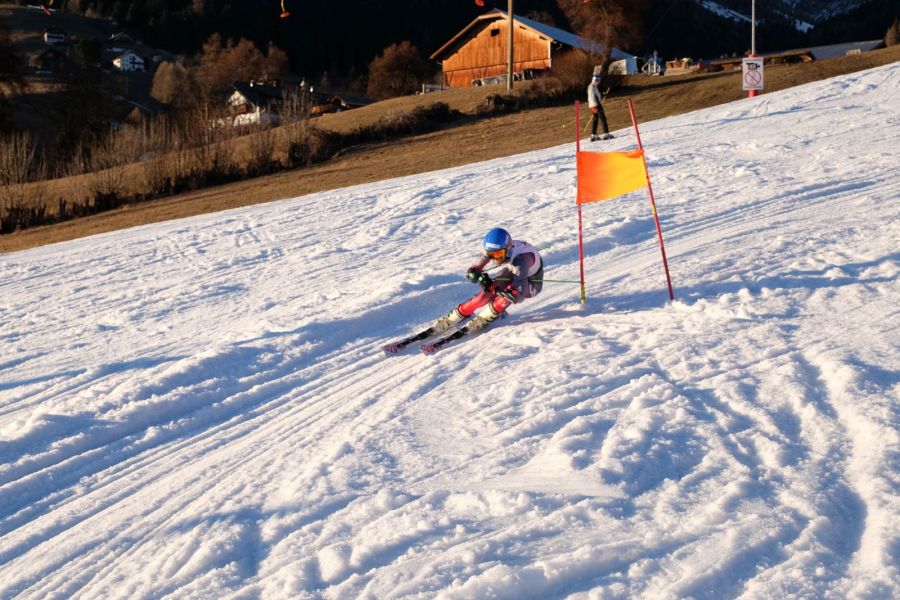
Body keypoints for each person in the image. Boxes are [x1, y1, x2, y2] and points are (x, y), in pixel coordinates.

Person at [433, 228, 543, 334]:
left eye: (498, 255)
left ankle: (486, 317)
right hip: (511, 271)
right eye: (492, 255)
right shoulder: (496, 248)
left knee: (509, 294)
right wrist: (476, 274)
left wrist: (512, 294)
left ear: (508, 249)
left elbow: (521, 294)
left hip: (531, 282)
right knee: (486, 293)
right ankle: (455, 316)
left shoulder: (521, 262)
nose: (495, 259)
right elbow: (476, 267)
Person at [587, 74, 613, 142]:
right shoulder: (591, 87)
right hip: (596, 105)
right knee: (603, 118)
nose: (598, 81)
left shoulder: (594, 86)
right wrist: (596, 106)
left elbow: (596, 95)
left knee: (595, 119)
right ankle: (606, 134)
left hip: (594, 105)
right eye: (596, 80)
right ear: (593, 79)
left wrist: (603, 94)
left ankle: (593, 135)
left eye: (598, 80)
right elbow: (592, 97)